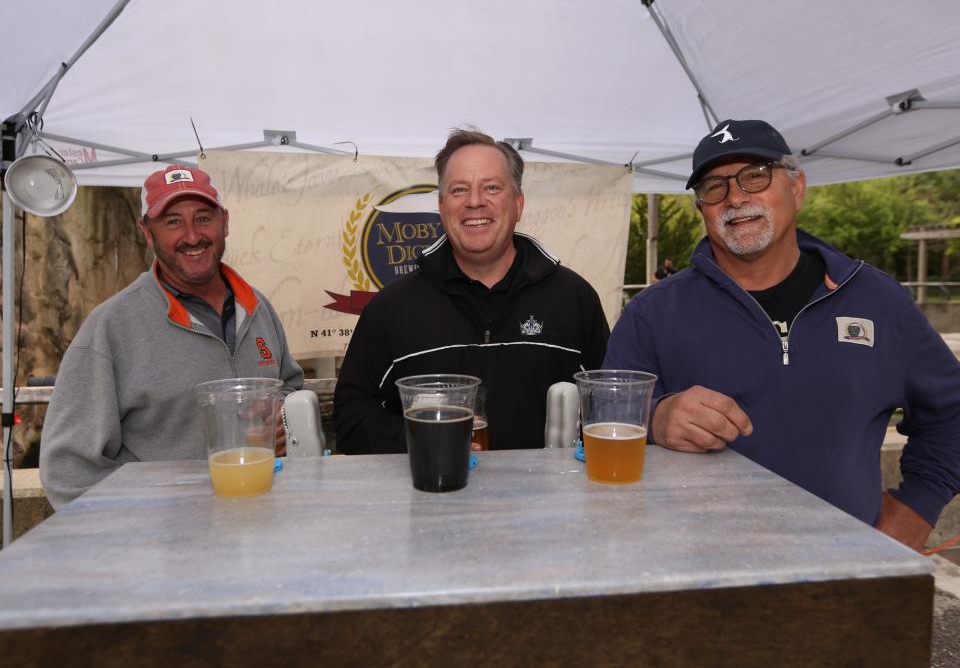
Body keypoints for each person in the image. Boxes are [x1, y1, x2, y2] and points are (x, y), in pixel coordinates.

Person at [604, 118, 960, 550]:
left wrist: (915, 510)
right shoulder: (652, 313)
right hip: (697, 577)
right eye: (714, 187)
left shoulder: (877, 300)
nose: (735, 197)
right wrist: (657, 417)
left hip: (845, 575)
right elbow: (604, 420)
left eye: (755, 175)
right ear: (702, 209)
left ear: (797, 187)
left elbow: (951, 413)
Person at [40, 165, 303, 508]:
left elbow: (291, 388)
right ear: (147, 233)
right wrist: (157, 528)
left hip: (264, 524)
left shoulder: (257, 307)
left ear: (225, 222)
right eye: (173, 222)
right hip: (170, 551)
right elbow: (67, 472)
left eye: (203, 217)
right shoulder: (110, 328)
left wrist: (281, 417)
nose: (192, 236)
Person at [334, 128, 609, 453]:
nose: (475, 202)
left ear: (518, 204)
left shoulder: (574, 299)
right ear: (441, 206)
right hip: (432, 497)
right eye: (459, 190)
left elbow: (613, 403)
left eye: (491, 187)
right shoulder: (391, 309)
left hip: (547, 503)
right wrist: (422, 440)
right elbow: (350, 420)